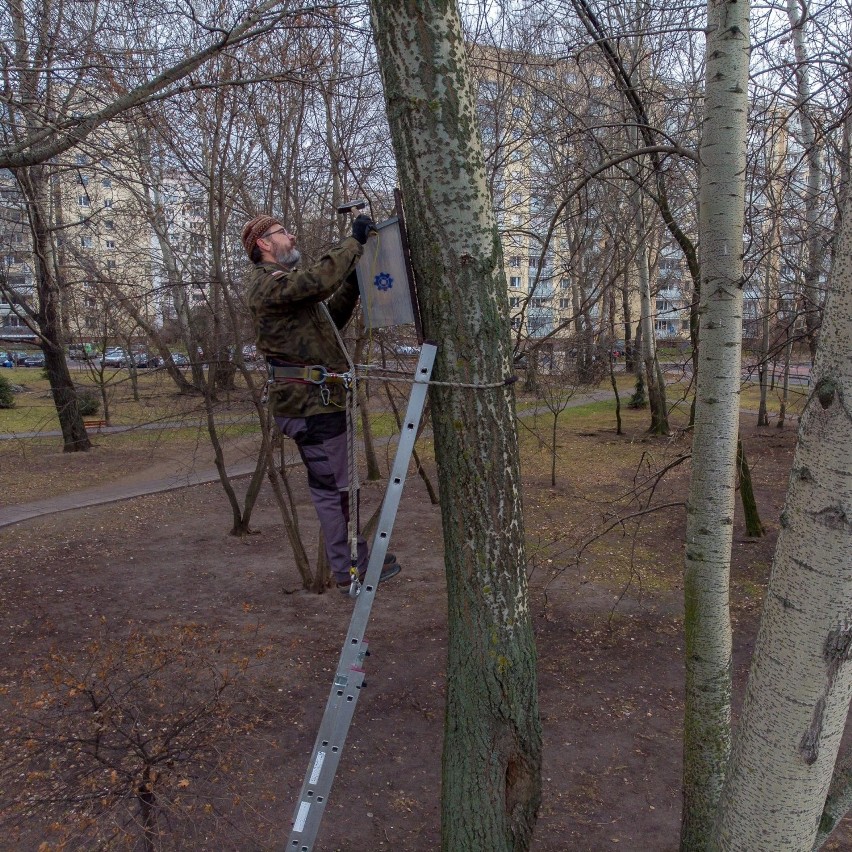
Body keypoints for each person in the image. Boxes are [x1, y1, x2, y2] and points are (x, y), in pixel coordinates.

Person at [243, 213, 401, 594]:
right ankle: (352, 567)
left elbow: (329, 318)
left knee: (340, 489)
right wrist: (353, 243)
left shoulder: (290, 295)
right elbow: (316, 282)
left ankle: (355, 560)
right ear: (264, 244)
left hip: (318, 404)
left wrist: (353, 282)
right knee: (336, 493)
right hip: (309, 406)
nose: (291, 236)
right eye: (283, 233)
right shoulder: (267, 285)